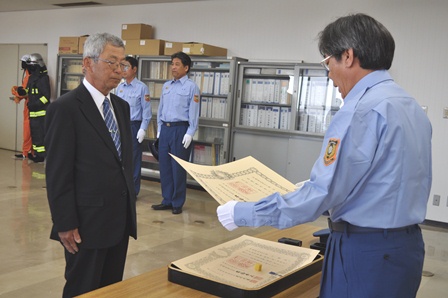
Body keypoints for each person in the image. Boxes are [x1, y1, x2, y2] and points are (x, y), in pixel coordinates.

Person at [217, 13, 432, 298]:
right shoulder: (410, 105)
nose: (329, 75)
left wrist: (243, 212)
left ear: (348, 56)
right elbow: (379, 179)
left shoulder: (359, 111)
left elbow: (323, 193)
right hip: (406, 248)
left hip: (365, 253)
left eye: (327, 62)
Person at [45, 33, 137, 298]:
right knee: (82, 288)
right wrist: (65, 222)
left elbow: (122, 164)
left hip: (119, 222)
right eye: (112, 63)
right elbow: (58, 174)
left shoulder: (121, 107)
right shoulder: (66, 109)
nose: (119, 71)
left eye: (123, 64)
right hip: (85, 226)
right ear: (87, 63)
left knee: (111, 289)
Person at [151, 52, 200, 214]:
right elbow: (161, 109)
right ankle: (167, 200)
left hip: (181, 130)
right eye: (172, 63)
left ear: (186, 68)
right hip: (165, 129)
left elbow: (194, 111)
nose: (173, 67)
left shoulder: (191, 87)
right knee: (164, 167)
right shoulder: (167, 86)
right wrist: (159, 130)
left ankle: (177, 202)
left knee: (178, 168)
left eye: (177, 64)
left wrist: (190, 132)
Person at [116, 56, 151, 196]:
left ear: (134, 69)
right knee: (121, 159)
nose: (123, 69)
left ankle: (133, 191)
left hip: (134, 126)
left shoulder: (142, 88)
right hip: (120, 126)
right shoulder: (120, 87)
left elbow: (146, 112)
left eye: (126, 67)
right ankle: (122, 188)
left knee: (134, 160)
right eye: (122, 66)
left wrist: (143, 129)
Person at [13, 53, 51, 162]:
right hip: (32, 112)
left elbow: (46, 97)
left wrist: (35, 105)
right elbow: (29, 92)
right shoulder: (32, 78)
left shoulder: (43, 78)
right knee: (35, 135)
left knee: (41, 134)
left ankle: (41, 156)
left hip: (40, 113)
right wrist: (22, 92)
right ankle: (37, 155)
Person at [11, 55, 33, 159]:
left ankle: (26, 153)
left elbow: (27, 92)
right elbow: (25, 90)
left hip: (31, 106)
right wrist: (18, 95)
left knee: (28, 130)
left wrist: (17, 94)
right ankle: (28, 152)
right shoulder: (28, 75)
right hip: (28, 105)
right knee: (29, 130)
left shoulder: (31, 76)